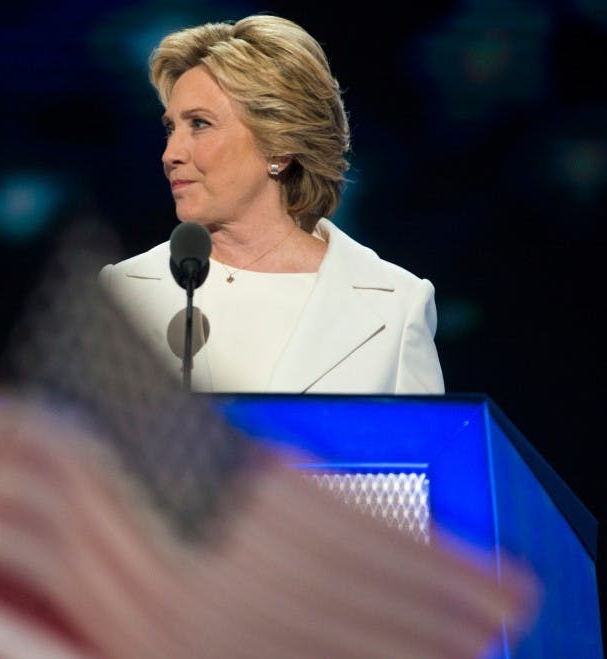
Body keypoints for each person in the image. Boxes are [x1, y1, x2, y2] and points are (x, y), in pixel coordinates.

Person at [99, 14, 444, 394]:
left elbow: (424, 452)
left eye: (199, 124)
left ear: (278, 143)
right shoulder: (121, 293)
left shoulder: (397, 305)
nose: (170, 154)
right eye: (171, 128)